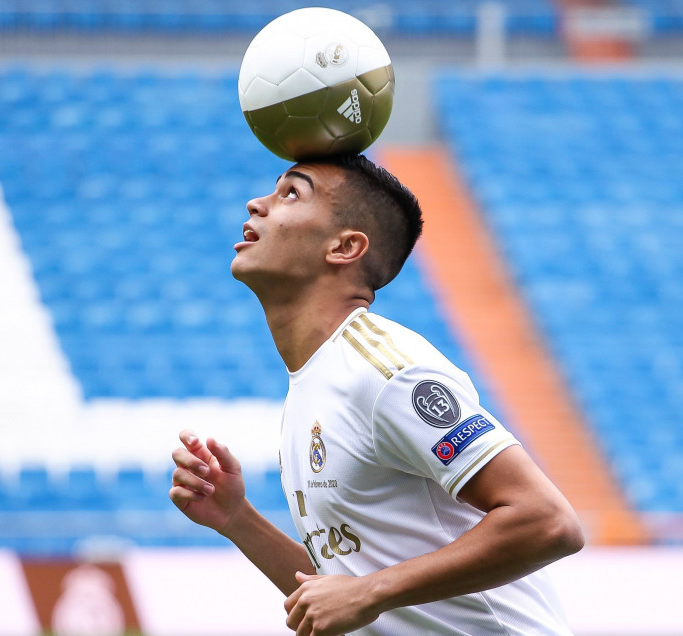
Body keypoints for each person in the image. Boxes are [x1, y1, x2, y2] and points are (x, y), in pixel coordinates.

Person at [170, 154, 584, 636]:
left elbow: (548, 521)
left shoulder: (386, 369)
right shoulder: (311, 387)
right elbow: (340, 599)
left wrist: (368, 592)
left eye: (291, 194)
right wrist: (237, 518)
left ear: (345, 247)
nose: (257, 203)